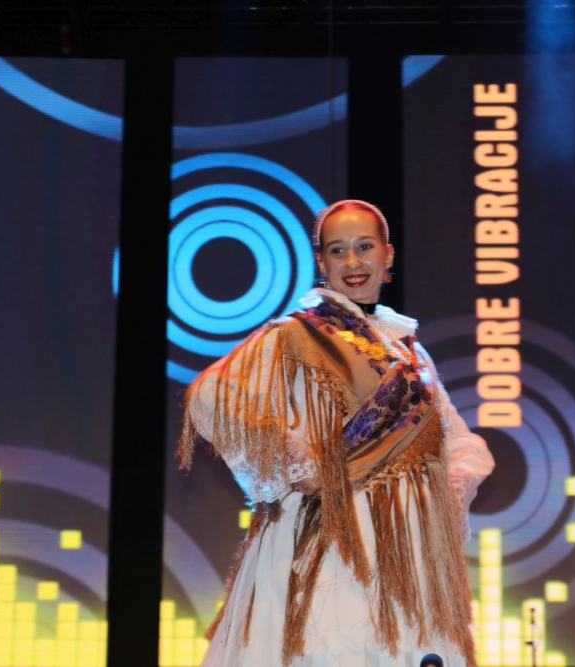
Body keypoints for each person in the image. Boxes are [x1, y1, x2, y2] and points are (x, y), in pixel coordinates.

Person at [178, 199, 495, 666]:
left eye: (364, 247)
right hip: (335, 542)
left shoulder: (409, 349)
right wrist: (297, 462)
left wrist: (441, 492)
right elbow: (213, 397)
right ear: (321, 262)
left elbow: (457, 442)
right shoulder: (296, 335)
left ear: (387, 254)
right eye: (337, 250)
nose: (352, 262)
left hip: (407, 548)